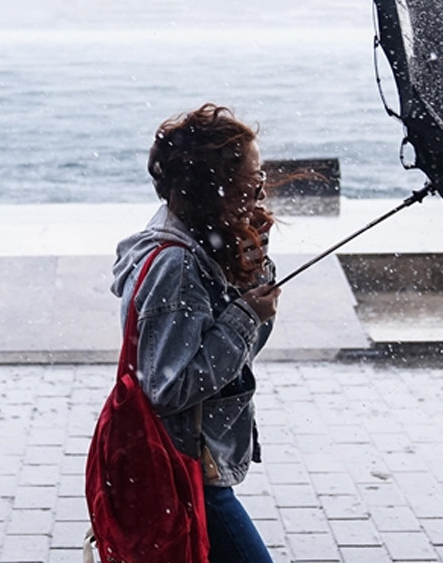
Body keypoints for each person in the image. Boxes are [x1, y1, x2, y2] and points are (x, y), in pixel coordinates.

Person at [110, 103, 280, 563]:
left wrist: (249, 277)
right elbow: (169, 386)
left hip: (187, 466)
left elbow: (237, 359)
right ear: (215, 187)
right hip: (184, 469)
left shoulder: (197, 244)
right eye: (251, 182)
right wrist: (245, 314)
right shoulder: (177, 265)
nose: (260, 192)